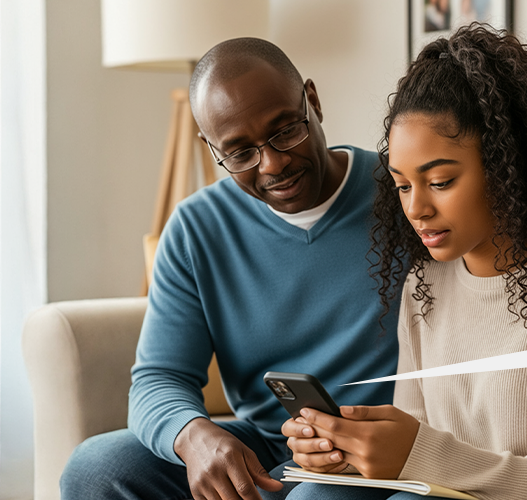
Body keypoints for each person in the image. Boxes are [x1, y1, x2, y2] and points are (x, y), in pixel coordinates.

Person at [281, 26, 527, 499]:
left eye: (441, 181)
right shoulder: (425, 282)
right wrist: (348, 454)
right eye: (403, 185)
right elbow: (423, 450)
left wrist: (419, 453)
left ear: (511, 163)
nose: (416, 208)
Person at [60, 38, 399, 500]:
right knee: (96, 467)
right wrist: (193, 434)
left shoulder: (405, 194)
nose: (273, 163)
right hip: (265, 449)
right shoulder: (197, 227)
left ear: (313, 101)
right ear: (212, 147)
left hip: (375, 450)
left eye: (285, 130)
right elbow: (160, 378)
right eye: (240, 153)